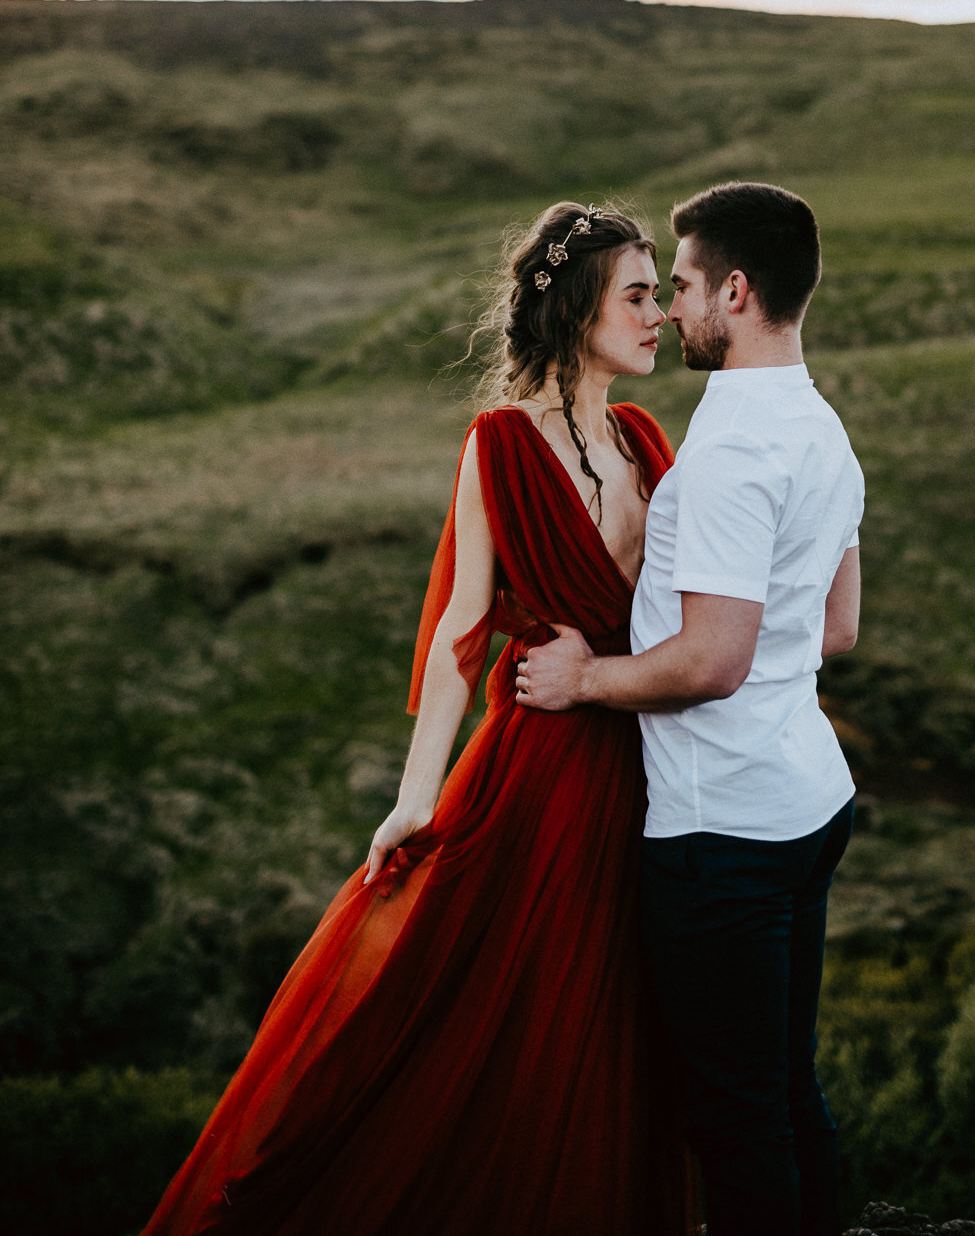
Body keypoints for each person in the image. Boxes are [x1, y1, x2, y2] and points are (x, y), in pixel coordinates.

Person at [141, 202, 695, 1236]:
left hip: (650, 763)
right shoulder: (497, 445)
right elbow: (461, 628)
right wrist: (414, 798)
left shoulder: (645, 438)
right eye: (637, 295)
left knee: (620, 1024)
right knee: (510, 1018)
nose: (659, 313)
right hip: (542, 772)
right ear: (579, 311)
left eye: (660, 293)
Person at [519, 180, 863, 1236]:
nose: (669, 311)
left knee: (733, 1116)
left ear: (737, 291)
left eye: (681, 287)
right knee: (782, 1087)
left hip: (724, 832)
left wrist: (585, 681)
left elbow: (711, 661)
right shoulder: (819, 427)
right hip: (806, 804)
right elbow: (836, 629)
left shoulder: (725, 458)